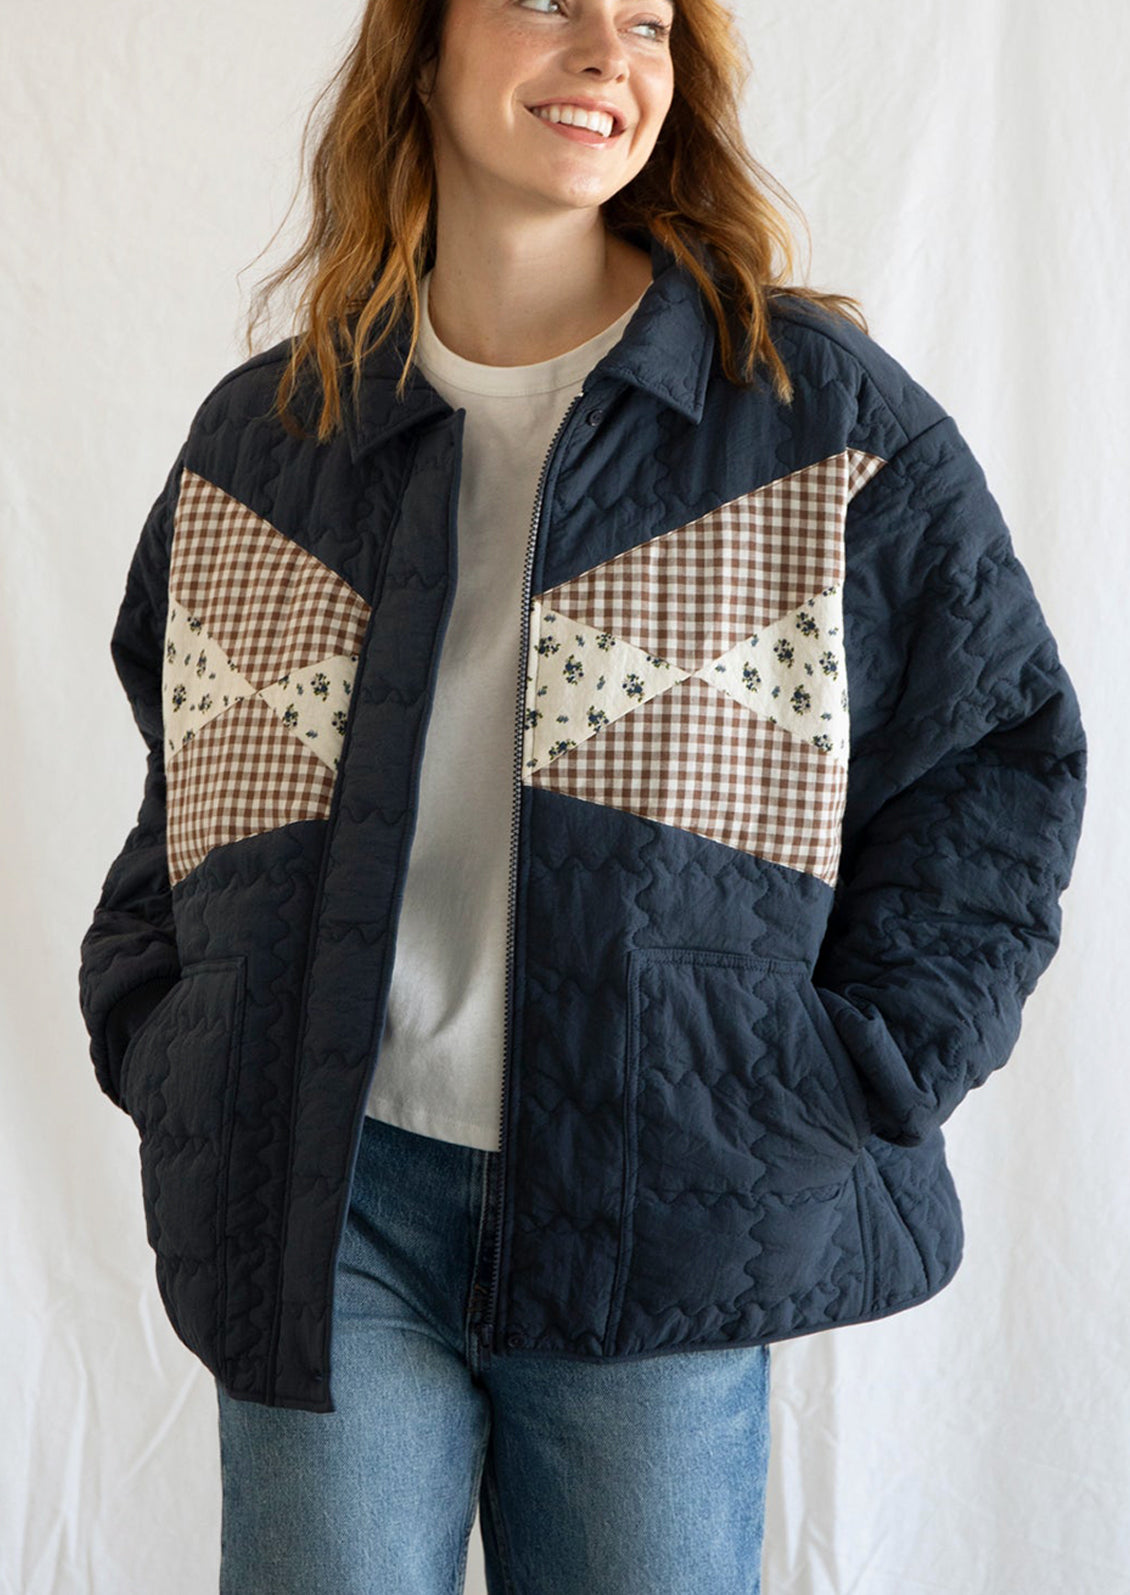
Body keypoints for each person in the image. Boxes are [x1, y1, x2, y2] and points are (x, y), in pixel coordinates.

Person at [77, 0, 1087, 1591]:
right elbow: (188, 775)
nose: (605, 53)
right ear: (418, 47)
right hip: (326, 1205)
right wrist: (164, 1016)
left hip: (660, 1192)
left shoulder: (808, 415)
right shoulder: (270, 439)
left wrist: (852, 1071)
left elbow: (992, 759)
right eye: (548, 0)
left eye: (646, 21)